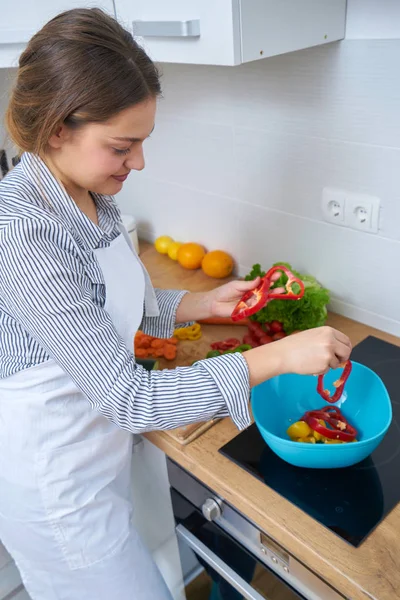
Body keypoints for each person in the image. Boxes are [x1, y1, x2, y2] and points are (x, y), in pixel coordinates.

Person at [0, 8, 352, 600]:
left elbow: (103, 305)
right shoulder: (21, 231)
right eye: (123, 145)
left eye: (142, 142)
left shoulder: (89, 194)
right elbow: (130, 399)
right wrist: (277, 358)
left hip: (94, 444)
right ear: (58, 129)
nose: (139, 162)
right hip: (56, 479)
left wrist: (201, 303)